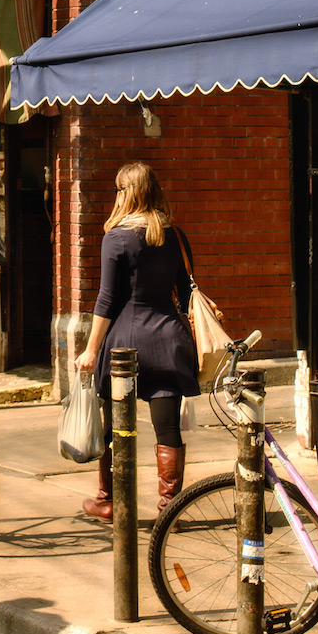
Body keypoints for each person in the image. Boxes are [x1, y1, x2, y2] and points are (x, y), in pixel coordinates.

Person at [73, 161, 199, 521]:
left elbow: (107, 299)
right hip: (168, 342)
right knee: (168, 429)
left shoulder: (116, 237)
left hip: (125, 345)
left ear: (126, 193)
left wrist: (91, 349)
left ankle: (108, 499)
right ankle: (168, 507)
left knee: (114, 426)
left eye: (118, 189)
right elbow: (187, 293)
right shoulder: (175, 236)